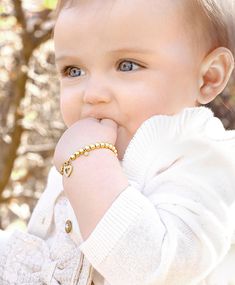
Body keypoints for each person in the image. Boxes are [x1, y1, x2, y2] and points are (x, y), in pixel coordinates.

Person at [1, 0, 235, 284]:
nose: (92, 94)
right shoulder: (87, 151)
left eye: (127, 65)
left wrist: (89, 165)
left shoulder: (202, 159)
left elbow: (158, 270)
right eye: (73, 71)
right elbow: (44, 259)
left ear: (209, 77)